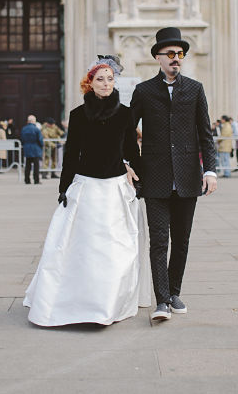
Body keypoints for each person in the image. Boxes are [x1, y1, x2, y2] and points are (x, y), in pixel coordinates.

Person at [24, 56, 148, 326]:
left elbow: (130, 149)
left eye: (110, 79)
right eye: (100, 79)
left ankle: (109, 304)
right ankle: (77, 302)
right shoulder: (78, 115)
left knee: (114, 249)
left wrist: (139, 180)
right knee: (81, 248)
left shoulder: (125, 113)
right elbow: (71, 154)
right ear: (89, 83)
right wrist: (63, 187)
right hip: (86, 187)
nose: (105, 83)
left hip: (114, 188)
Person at [130, 27, 217, 321]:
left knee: (181, 240)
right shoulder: (143, 91)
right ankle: (162, 301)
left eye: (179, 54)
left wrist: (212, 171)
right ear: (158, 57)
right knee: (159, 242)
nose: (175, 58)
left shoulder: (195, 89)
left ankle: (175, 291)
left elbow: (206, 134)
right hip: (154, 178)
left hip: (189, 177)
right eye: (170, 54)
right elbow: (128, 133)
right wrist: (129, 164)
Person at [20, 115, 43, 185]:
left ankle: (27, 180)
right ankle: (36, 180)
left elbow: (22, 139)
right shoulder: (36, 129)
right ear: (34, 121)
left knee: (28, 165)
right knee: (36, 166)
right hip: (35, 149)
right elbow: (40, 140)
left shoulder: (24, 129)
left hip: (27, 148)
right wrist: (41, 146)